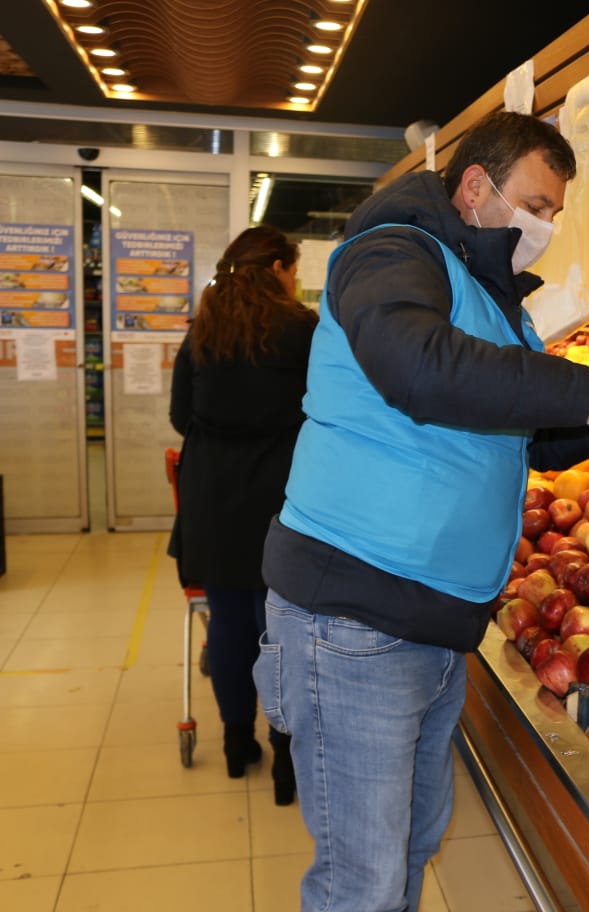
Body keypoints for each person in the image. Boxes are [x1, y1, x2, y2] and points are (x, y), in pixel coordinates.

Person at [255, 109, 589, 912]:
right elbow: (417, 367)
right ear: (476, 187)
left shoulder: (491, 297)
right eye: (537, 206)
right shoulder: (392, 251)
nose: (545, 227)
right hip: (352, 621)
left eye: (556, 213)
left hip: (429, 630)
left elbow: (520, 433)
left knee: (410, 849)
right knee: (364, 880)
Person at [169, 225, 318, 806]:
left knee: (230, 625)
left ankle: (237, 742)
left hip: (214, 502)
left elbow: (183, 415)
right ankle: (286, 757)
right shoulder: (304, 331)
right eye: (294, 270)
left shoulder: (202, 329)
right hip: (284, 500)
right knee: (281, 631)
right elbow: (324, 411)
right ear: (278, 267)